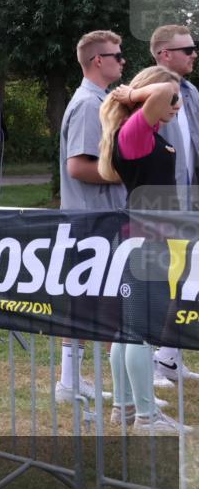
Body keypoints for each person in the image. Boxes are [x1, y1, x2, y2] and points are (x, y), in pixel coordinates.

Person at [97, 65, 192, 432]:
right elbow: (163, 85)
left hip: (145, 238)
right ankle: (147, 417)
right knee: (139, 330)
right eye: (172, 99)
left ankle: (124, 408)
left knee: (129, 330)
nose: (176, 104)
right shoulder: (136, 132)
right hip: (143, 242)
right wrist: (131, 93)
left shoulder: (147, 134)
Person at [55, 30, 128, 404]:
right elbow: (78, 167)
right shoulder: (87, 104)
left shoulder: (98, 100)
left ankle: (72, 380)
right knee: (86, 300)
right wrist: (127, 172)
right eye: (117, 56)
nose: (123, 61)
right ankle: (70, 381)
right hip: (90, 219)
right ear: (98, 60)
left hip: (97, 218)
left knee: (87, 299)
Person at [147, 25, 199, 389]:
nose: (194, 54)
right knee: (159, 280)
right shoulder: (148, 91)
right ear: (165, 54)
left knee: (187, 278)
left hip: (189, 201)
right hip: (158, 203)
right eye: (188, 49)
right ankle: (153, 361)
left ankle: (170, 355)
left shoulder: (192, 92)